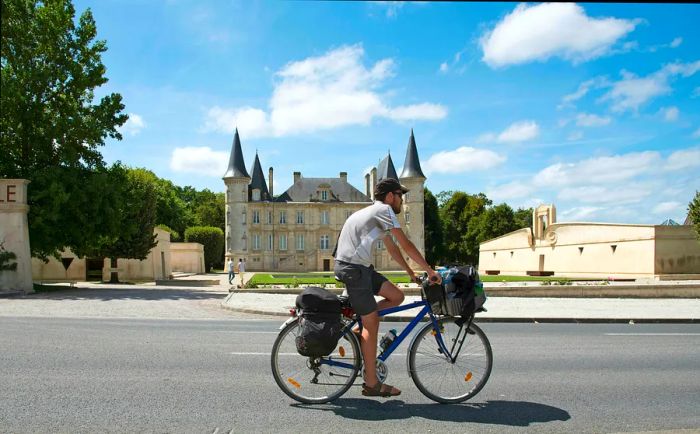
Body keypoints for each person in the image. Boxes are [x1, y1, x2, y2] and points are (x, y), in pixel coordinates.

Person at [333, 178, 441, 398]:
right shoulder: (384, 211)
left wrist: (411, 273)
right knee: (371, 321)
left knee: (396, 296)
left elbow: (394, 249)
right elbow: (407, 244)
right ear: (390, 196)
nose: (402, 200)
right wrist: (430, 271)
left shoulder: (376, 215)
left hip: (360, 267)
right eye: (400, 195)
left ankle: (359, 330)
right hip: (353, 269)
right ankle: (372, 383)